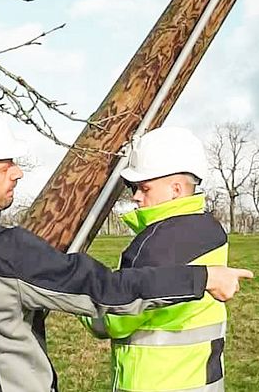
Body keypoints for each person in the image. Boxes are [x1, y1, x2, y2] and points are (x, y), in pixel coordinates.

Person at [0, 109, 252, 392]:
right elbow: (105, 292)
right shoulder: (3, 251)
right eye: (3, 166)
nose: (17, 173)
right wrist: (202, 277)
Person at [81, 127, 230, 391]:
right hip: (204, 380)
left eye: (143, 187)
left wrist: (80, 288)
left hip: (153, 382)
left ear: (175, 189)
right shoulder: (212, 229)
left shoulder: (154, 245)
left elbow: (112, 321)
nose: (136, 196)